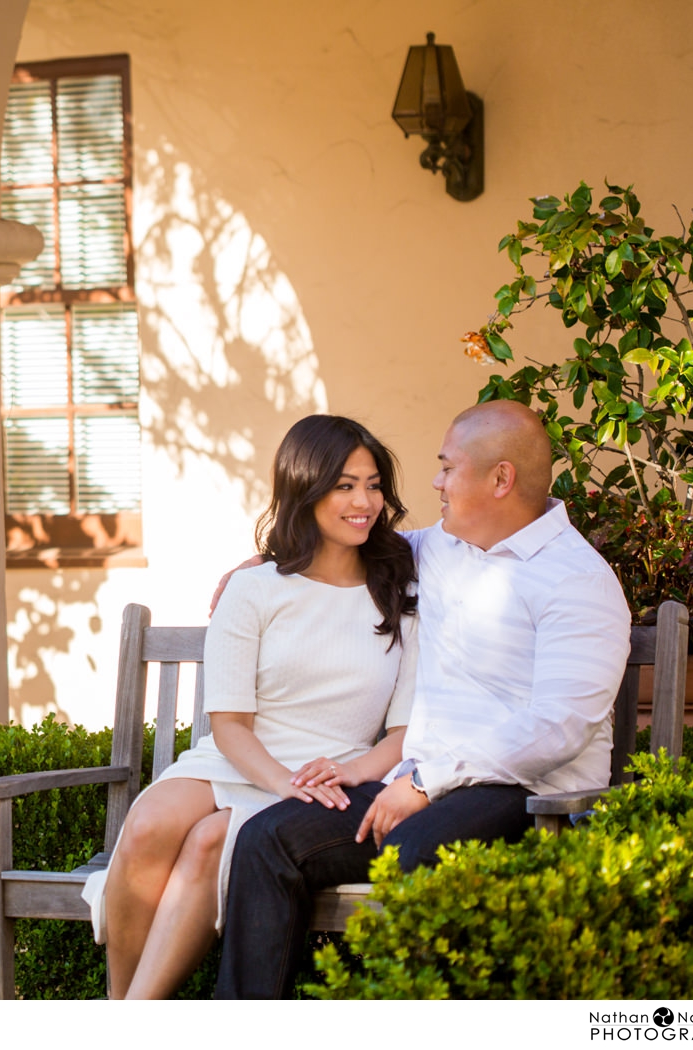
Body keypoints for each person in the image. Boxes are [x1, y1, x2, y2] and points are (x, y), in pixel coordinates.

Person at [212, 399, 632, 998]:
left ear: (500, 479)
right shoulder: (437, 548)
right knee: (268, 837)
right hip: (418, 785)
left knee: (413, 851)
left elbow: (558, 726)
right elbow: (344, 545)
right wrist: (264, 564)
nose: (433, 482)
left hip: (527, 795)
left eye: (447, 467)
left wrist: (428, 782)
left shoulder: (577, 581)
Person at [82, 414, 420, 999]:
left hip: (333, 775)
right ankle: (121, 1005)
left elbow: (402, 732)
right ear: (304, 489)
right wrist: (282, 782)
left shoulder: (400, 592)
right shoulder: (255, 588)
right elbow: (230, 724)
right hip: (245, 760)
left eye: (372, 484)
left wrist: (345, 773)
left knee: (212, 840)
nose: (364, 501)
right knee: (149, 825)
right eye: (344, 486)